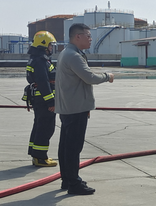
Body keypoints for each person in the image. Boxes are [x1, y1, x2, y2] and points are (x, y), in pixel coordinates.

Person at [55, 23, 114, 195]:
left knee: (66, 146)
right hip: (75, 108)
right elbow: (89, 77)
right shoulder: (73, 55)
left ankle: (67, 179)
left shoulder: (67, 53)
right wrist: (107, 76)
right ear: (77, 36)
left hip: (69, 107)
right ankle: (73, 183)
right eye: (88, 36)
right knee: (73, 147)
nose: (90, 39)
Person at [24, 30, 58, 167]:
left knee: (39, 126)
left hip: (39, 100)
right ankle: (40, 158)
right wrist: (50, 101)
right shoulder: (41, 60)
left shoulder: (37, 58)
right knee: (46, 128)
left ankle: (36, 154)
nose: (51, 48)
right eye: (50, 45)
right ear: (43, 45)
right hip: (44, 101)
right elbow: (44, 83)